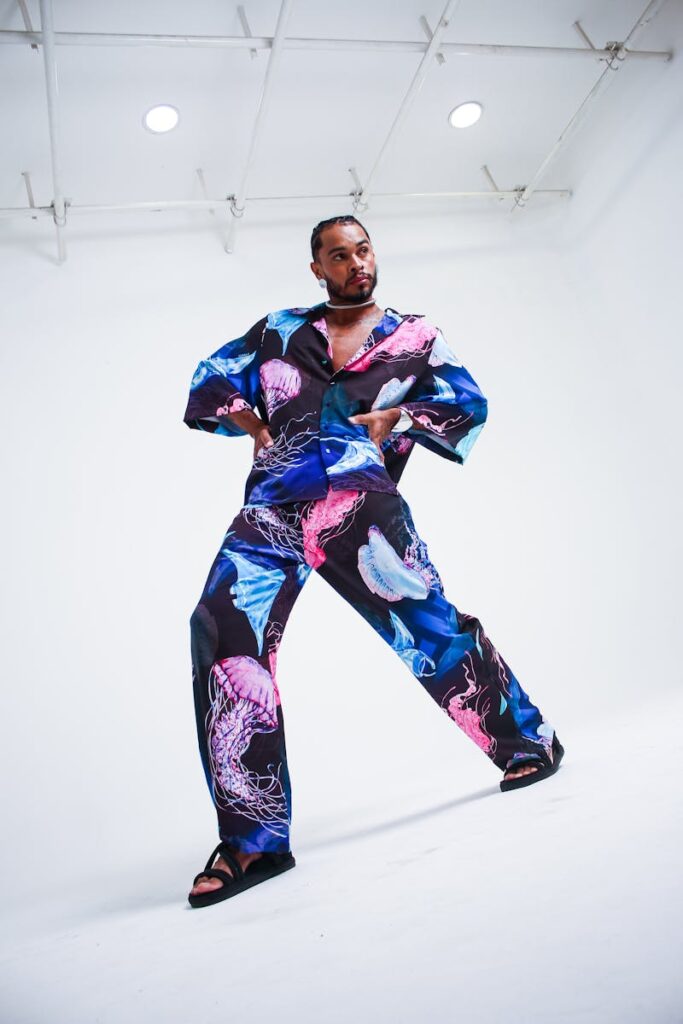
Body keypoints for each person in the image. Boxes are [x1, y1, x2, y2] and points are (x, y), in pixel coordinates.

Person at [183, 214, 564, 908]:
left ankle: (527, 743)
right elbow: (210, 380)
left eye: (362, 250)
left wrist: (400, 421)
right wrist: (255, 424)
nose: (355, 263)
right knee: (219, 633)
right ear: (316, 269)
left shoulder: (415, 337)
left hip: (363, 506)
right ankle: (252, 842)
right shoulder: (278, 329)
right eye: (338, 255)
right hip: (273, 507)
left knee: (428, 628)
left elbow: (466, 405)